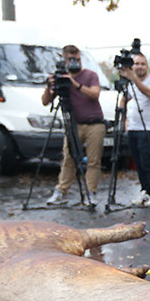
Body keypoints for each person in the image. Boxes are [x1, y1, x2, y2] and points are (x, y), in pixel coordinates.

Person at [42, 45, 105, 206]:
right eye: (71, 59)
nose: (74, 62)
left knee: (93, 160)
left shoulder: (90, 75)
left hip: (94, 123)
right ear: (65, 60)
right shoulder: (60, 77)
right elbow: (45, 101)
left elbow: (95, 94)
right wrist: (50, 87)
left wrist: (74, 83)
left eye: (77, 58)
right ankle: (61, 191)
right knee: (68, 158)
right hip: (73, 124)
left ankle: (91, 193)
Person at [121, 52, 150, 208]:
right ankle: (145, 190)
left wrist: (132, 77)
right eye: (136, 64)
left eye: (142, 64)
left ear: (147, 66)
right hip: (133, 126)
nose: (139, 67)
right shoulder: (130, 83)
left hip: (148, 127)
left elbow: (149, 92)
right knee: (138, 162)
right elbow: (126, 100)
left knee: (148, 161)